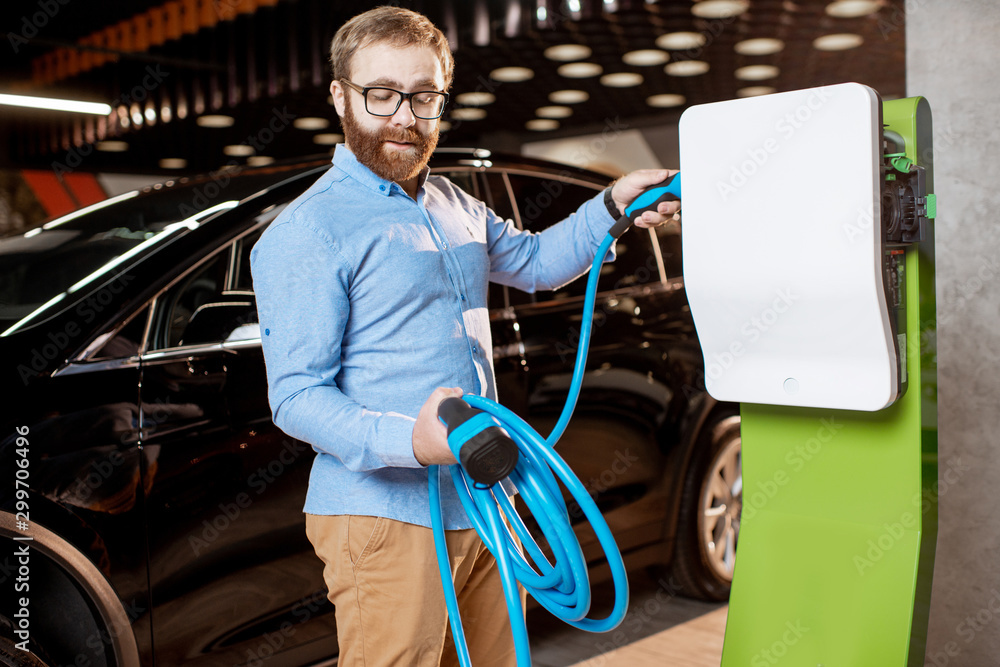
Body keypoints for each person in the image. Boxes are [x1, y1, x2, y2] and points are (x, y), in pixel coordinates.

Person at [250, 6, 680, 666]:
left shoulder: (455, 202)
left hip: (484, 501)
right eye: (381, 93)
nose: (404, 117)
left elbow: (536, 263)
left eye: (424, 96)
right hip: (384, 516)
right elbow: (297, 398)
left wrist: (613, 204)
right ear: (340, 96)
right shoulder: (306, 232)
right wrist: (410, 441)